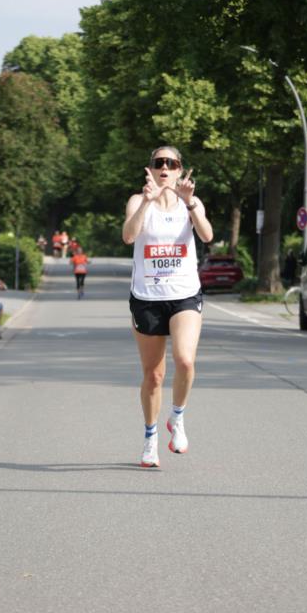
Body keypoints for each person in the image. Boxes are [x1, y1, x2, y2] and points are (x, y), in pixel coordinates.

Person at [122, 146, 213, 468]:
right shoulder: (138, 200)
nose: (164, 168)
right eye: (159, 163)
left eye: (170, 163)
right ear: (151, 169)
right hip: (147, 298)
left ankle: (177, 418)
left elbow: (207, 234)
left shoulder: (191, 202)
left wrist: (190, 203)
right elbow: (129, 236)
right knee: (154, 375)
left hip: (185, 294)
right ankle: (150, 438)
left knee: (185, 361)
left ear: (179, 170)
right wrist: (146, 201)